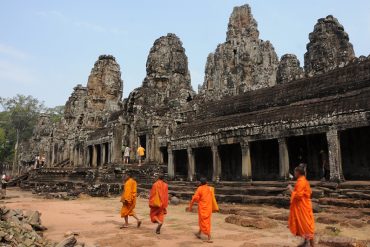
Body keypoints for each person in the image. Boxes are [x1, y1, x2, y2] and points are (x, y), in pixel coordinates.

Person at [288, 164, 315, 247]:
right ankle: (306, 241)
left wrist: (291, 190)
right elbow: (309, 192)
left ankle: (311, 244)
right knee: (303, 224)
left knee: (307, 225)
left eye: (295, 172)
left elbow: (298, 195)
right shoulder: (303, 180)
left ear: (298, 172)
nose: (294, 174)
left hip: (302, 206)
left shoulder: (301, 182)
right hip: (303, 205)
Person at [188, 177, 218, 243]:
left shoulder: (200, 189)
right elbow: (212, 197)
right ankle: (199, 233)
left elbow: (195, 198)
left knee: (204, 221)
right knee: (204, 221)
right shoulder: (210, 189)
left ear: (201, 183)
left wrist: (191, 206)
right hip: (208, 207)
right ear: (206, 182)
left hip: (203, 207)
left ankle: (209, 236)